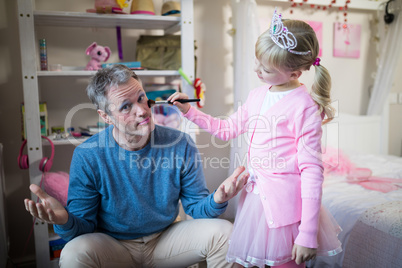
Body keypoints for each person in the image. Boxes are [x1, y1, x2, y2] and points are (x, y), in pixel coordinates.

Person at [24, 64, 249, 268]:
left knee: (226, 234)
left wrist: (217, 199)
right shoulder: (87, 155)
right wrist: (63, 219)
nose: (142, 110)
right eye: (125, 106)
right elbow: (83, 228)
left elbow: (196, 209)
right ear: (106, 116)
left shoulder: (181, 144)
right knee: (74, 253)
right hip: (113, 245)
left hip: (165, 240)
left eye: (142, 98)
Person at [168, 9, 342, 268]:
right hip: (254, 203)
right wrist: (190, 112)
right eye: (257, 61)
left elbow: (312, 172)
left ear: (294, 73)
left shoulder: (303, 106)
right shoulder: (256, 96)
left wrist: (307, 234)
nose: (256, 70)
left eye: (266, 68)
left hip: (286, 211)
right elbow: (226, 129)